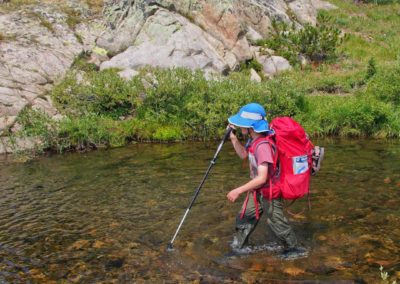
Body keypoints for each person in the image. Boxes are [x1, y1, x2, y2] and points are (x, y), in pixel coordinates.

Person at [227, 103, 302, 257]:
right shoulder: (253, 140)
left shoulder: (262, 146)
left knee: (277, 223)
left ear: (251, 127)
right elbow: (243, 155)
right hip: (256, 192)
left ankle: (296, 250)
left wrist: (238, 190)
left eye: (243, 124)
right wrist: (233, 138)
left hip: (269, 192)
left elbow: (262, 178)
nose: (240, 126)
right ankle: (238, 249)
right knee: (244, 217)